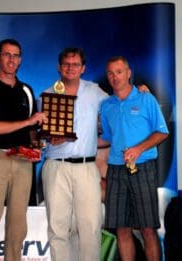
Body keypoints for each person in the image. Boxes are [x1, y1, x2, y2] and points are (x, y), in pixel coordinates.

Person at [0, 38, 47, 261]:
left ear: (20, 60)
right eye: (7, 54)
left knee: (17, 225)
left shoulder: (26, 90)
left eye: (15, 55)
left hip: (23, 160)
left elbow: (33, 131)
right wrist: (28, 121)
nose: (11, 59)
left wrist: (36, 147)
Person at [39, 47, 109, 261]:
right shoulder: (47, 95)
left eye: (75, 64)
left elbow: (118, 106)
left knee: (90, 228)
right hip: (55, 167)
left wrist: (138, 92)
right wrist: (47, 138)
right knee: (58, 229)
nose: (71, 68)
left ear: (83, 68)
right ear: (59, 67)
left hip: (87, 167)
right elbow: (38, 136)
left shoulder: (95, 92)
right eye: (66, 64)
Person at [99, 56, 169, 261]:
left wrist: (139, 149)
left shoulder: (146, 99)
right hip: (116, 171)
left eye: (119, 71)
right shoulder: (106, 105)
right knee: (121, 229)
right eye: (110, 73)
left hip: (143, 167)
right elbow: (108, 138)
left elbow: (162, 132)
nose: (114, 77)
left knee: (147, 229)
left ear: (128, 73)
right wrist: (77, 143)